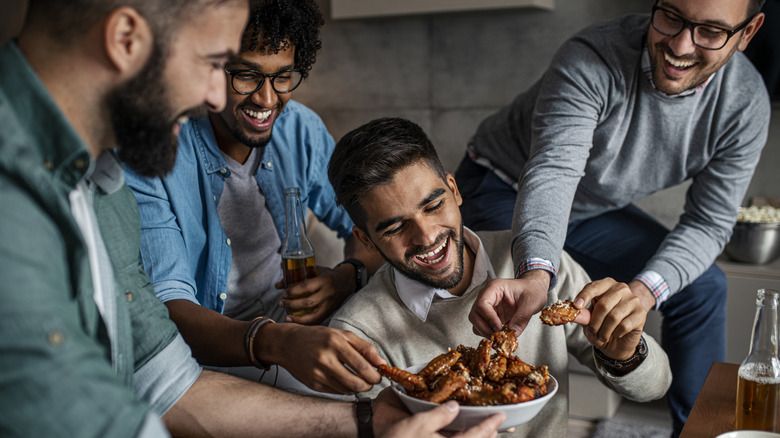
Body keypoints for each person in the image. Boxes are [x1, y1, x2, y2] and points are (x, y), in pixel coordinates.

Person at [0, 1, 506, 436]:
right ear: (126, 39)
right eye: (217, 63)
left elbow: (164, 381)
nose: (219, 98)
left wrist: (372, 422)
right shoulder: (41, 192)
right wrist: (274, 342)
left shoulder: (104, 183)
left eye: (281, 77)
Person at [453, 0, 769, 434]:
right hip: (501, 185)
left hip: (590, 207)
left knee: (703, 287)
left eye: (711, 32)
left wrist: (641, 294)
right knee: (519, 291)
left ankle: (703, 432)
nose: (680, 44)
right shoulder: (592, 56)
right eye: (671, 16)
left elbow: (709, 223)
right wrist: (537, 274)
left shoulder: (745, 103)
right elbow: (554, 172)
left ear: (748, 33)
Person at [326, 118, 672, 438]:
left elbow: (656, 386)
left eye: (433, 206)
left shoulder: (539, 266)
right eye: (395, 227)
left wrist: (625, 354)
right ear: (367, 240)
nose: (427, 236)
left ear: (454, 190)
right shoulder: (356, 333)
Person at [124, 0, 384, 394]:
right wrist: (276, 343)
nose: (266, 100)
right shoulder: (157, 151)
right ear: (211, 70)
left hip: (293, 342)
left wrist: (347, 278)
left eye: (283, 77)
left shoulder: (301, 129)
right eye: (246, 76)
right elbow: (168, 309)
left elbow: (371, 228)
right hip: (207, 367)